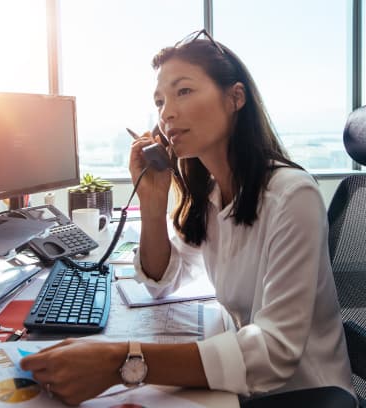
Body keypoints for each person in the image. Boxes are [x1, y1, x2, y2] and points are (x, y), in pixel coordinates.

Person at [20, 29, 355, 405]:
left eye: (184, 91)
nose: (167, 113)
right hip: (242, 384)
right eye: (160, 101)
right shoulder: (213, 194)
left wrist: (123, 361)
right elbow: (162, 281)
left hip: (303, 393)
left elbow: (275, 351)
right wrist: (153, 199)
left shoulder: (293, 196)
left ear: (235, 98)